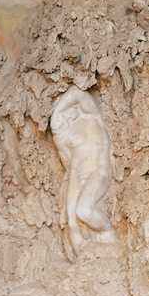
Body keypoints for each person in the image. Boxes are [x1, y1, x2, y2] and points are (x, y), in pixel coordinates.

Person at [50, 86, 116, 254]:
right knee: (72, 220)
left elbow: (76, 92)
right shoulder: (64, 137)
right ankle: (82, 255)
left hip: (99, 171)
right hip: (78, 175)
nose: (65, 116)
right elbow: (70, 167)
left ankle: (109, 235)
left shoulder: (90, 115)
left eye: (65, 109)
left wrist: (57, 112)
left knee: (84, 211)